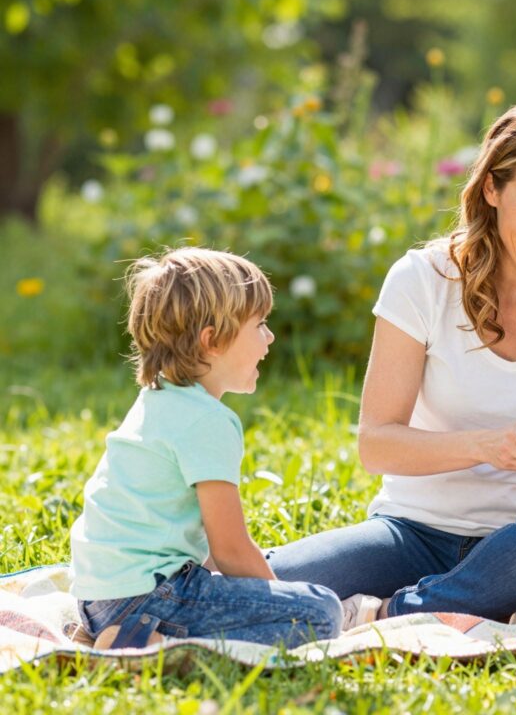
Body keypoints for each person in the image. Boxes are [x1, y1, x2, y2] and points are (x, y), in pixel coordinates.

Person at [267, 98, 516, 622]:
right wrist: (484, 446)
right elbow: (376, 445)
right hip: (412, 533)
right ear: (492, 189)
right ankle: (455, 606)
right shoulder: (422, 280)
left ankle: (392, 613)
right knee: (256, 586)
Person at [69, 248, 342, 650]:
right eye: (260, 325)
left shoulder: (158, 398)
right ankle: (151, 644)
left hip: (98, 598)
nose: (270, 337)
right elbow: (230, 551)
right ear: (211, 341)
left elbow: (206, 553)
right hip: (148, 599)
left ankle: (116, 633)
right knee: (321, 612)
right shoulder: (207, 420)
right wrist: (278, 601)